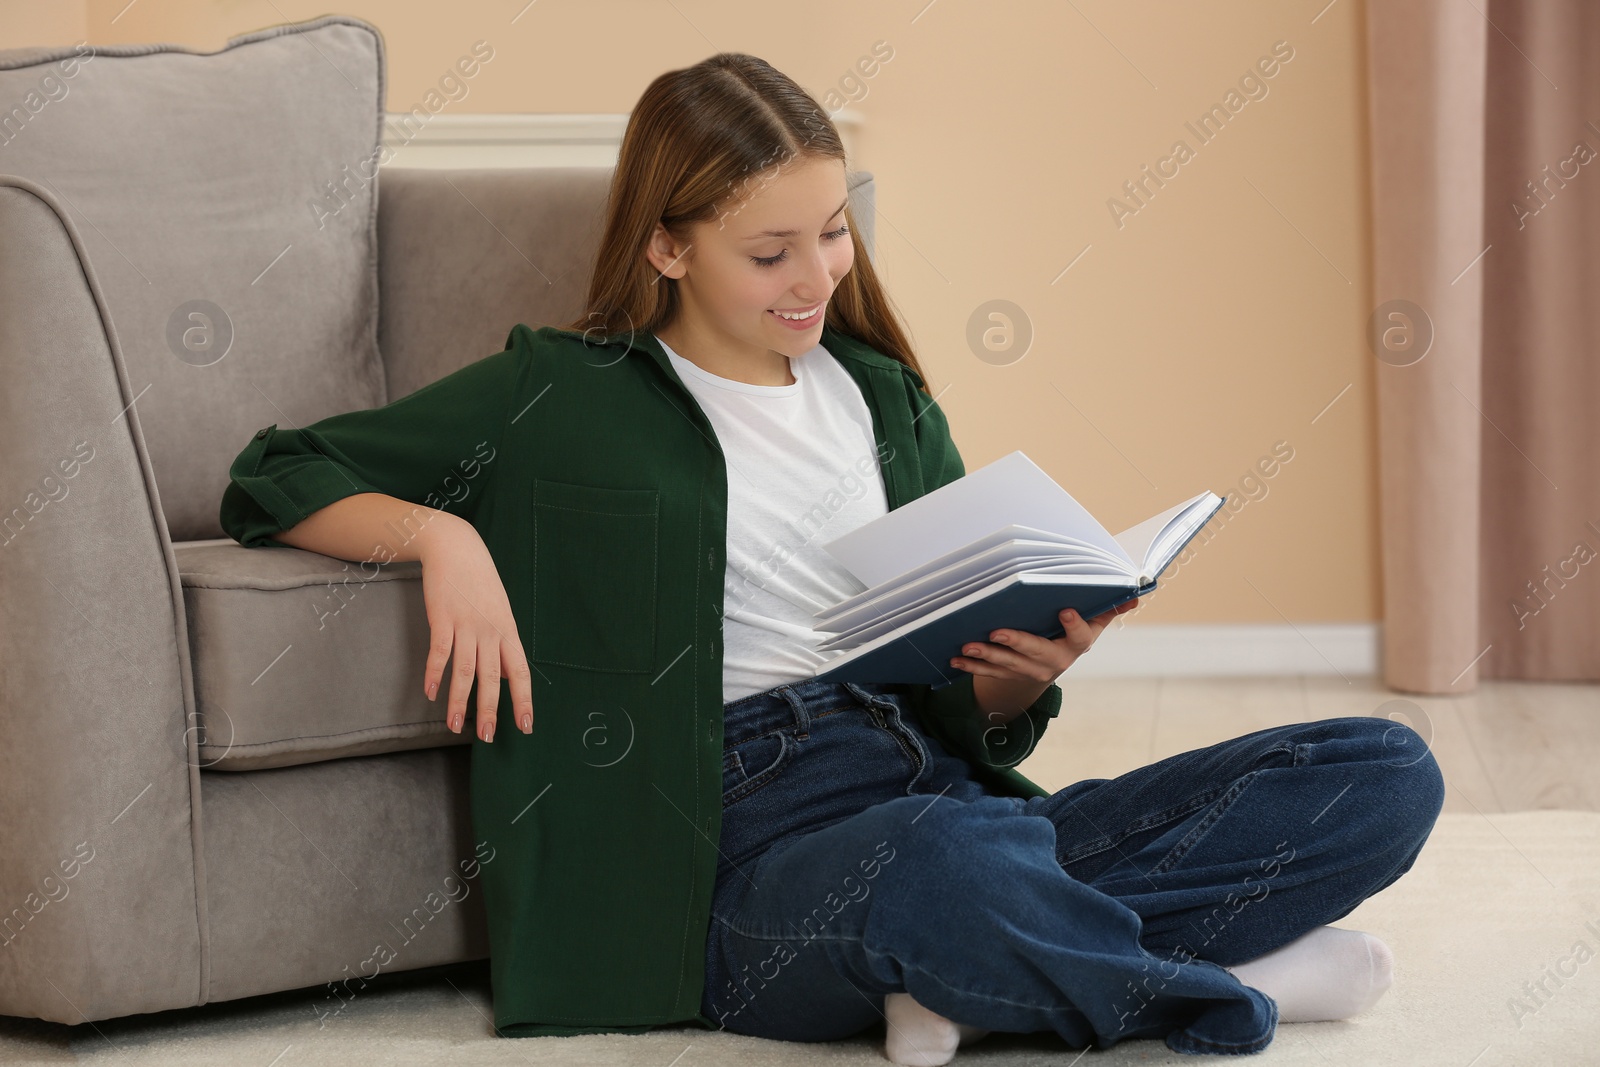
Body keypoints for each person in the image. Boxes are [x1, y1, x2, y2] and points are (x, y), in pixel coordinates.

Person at [220, 52, 1445, 1060]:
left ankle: (970, 974)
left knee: (1381, 770)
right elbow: (277, 469)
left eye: (833, 232)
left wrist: (1022, 672)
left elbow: (961, 703)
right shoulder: (558, 391)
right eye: (771, 252)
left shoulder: (884, 398)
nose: (816, 278)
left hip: (934, 794)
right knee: (950, 863)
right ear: (666, 248)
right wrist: (445, 536)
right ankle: (1219, 982)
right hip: (737, 864)